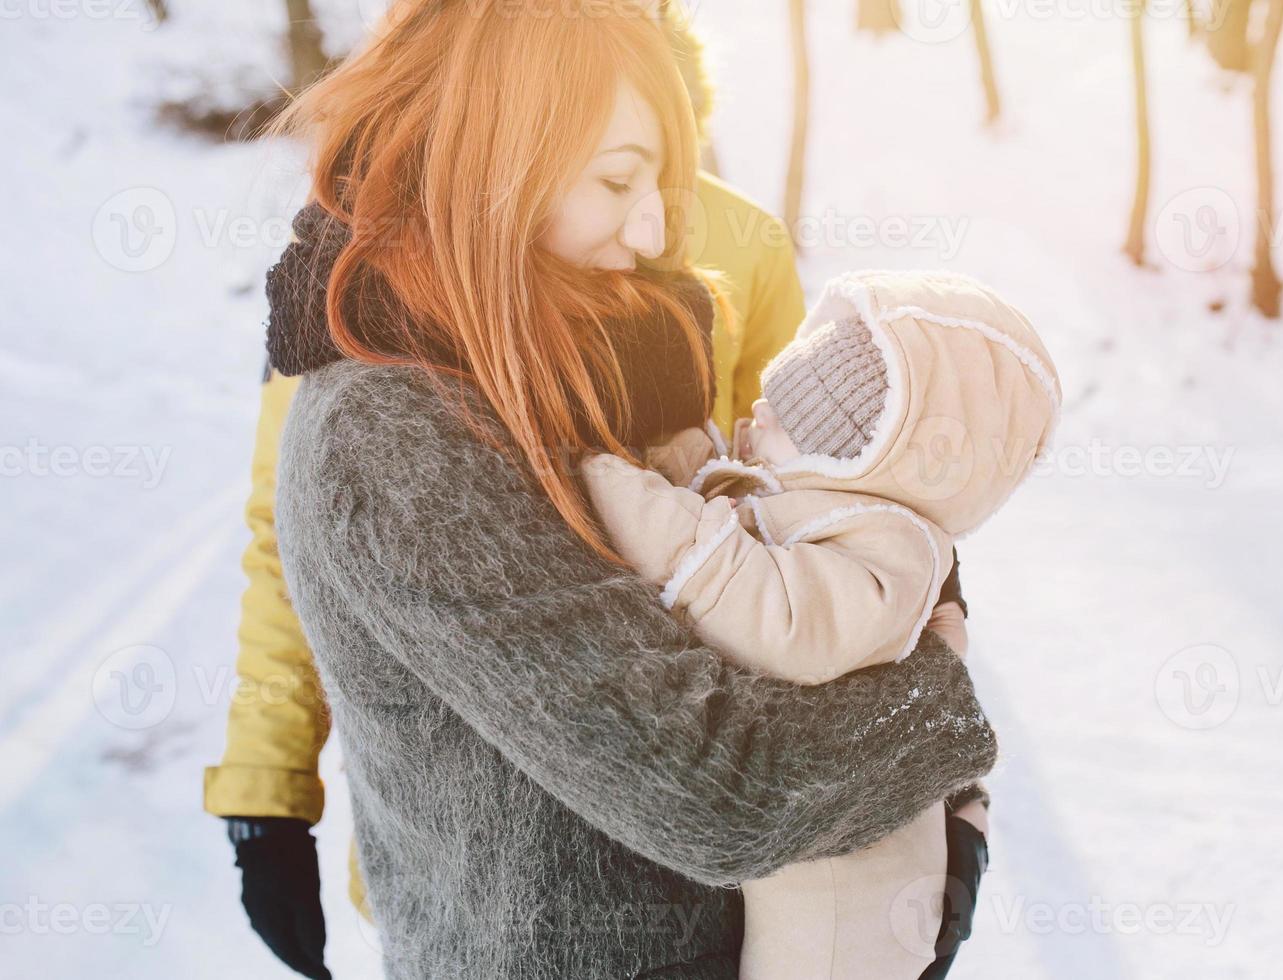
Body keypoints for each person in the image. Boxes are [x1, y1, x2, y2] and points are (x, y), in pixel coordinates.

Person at [211, 2, 995, 978]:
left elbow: (782, 528)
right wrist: (943, 708)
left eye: (665, 183)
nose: (658, 224)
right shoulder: (394, 434)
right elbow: (721, 785)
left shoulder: (599, 359)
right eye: (620, 179)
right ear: (491, 161)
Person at [581, 270, 1058, 978]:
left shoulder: (895, 545)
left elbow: (787, 624)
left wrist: (635, 503)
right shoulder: (818, 497)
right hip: (803, 830)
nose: (761, 409)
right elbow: (733, 489)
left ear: (869, 460)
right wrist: (679, 462)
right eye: (779, 388)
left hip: (857, 877)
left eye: (795, 415)